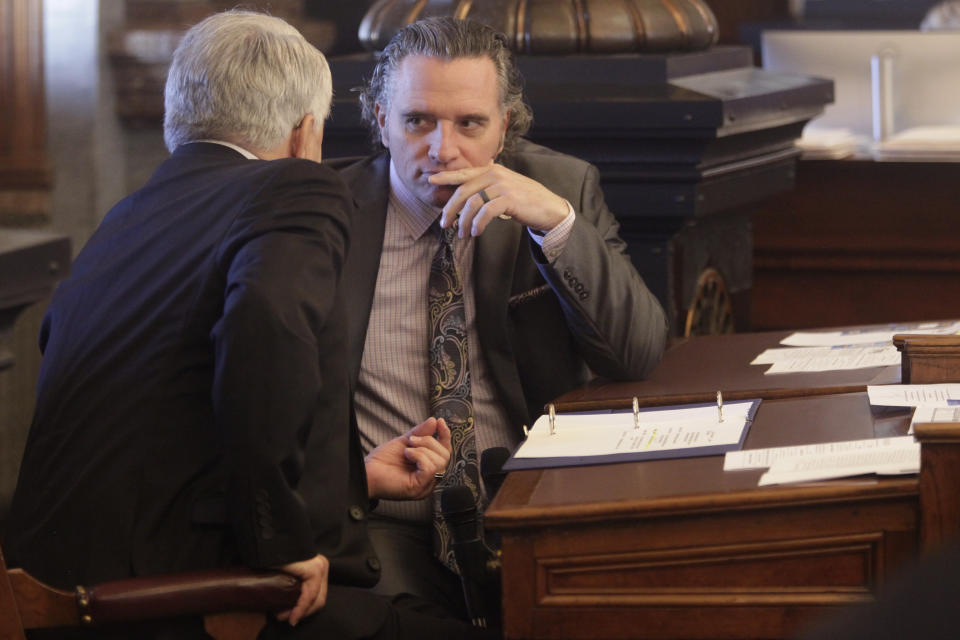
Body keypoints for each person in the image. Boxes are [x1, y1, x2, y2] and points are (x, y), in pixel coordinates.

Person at [4, 10, 487, 640]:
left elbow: (164, 421)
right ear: (305, 130)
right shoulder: (297, 186)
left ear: (178, 115)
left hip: (52, 597)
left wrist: (353, 480)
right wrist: (278, 540)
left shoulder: (124, 218)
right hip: (176, 601)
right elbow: (264, 326)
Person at [329, 16, 669, 620]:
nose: (443, 149)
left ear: (503, 126)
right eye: (417, 121)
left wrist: (556, 225)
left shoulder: (561, 188)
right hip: (386, 528)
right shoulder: (327, 216)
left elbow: (637, 353)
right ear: (381, 120)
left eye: (469, 123)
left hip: (528, 516)